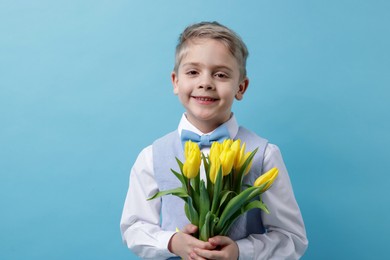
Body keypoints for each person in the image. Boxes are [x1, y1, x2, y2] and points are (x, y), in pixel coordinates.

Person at [120, 21, 308, 259]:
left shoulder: (264, 154)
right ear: (175, 82)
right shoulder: (152, 156)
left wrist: (241, 251)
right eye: (192, 72)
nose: (205, 82)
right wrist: (171, 241)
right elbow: (134, 228)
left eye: (220, 74)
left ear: (241, 87)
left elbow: (291, 237)